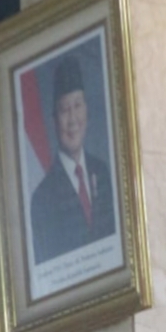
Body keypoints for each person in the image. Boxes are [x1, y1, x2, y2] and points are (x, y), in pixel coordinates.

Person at [30, 54, 116, 265]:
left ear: (87, 110)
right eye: (64, 110)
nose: (72, 120)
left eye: (77, 106)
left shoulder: (103, 173)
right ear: (54, 119)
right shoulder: (42, 199)